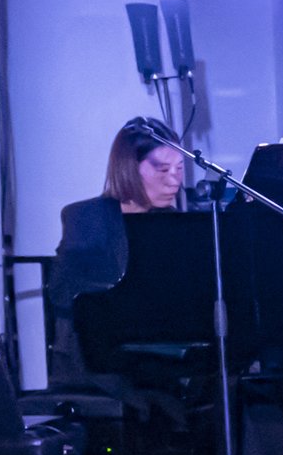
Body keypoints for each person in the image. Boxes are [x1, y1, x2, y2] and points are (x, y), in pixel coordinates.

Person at [51, 118, 190, 312]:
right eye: (164, 169)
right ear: (130, 168)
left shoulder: (177, 222)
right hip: (100, 332)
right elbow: (62, 293)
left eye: (180, 168)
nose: (174, 180)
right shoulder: (86, 217)